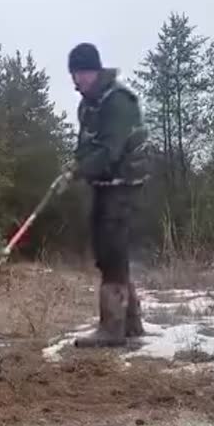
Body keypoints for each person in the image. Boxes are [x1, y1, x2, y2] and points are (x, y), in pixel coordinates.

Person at [58, 43, 150, 348]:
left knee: (112, 249)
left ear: (95, 71)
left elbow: (110, 151)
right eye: (74, 73)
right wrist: (71, 167)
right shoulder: (87, 106)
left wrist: (77, 172)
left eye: (83, 72)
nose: (78, 79)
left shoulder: (119, 102)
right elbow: (85, 147)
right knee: (106, 249)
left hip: (124, 183)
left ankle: (112, 328)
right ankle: (132, 324)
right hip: (102, 184)